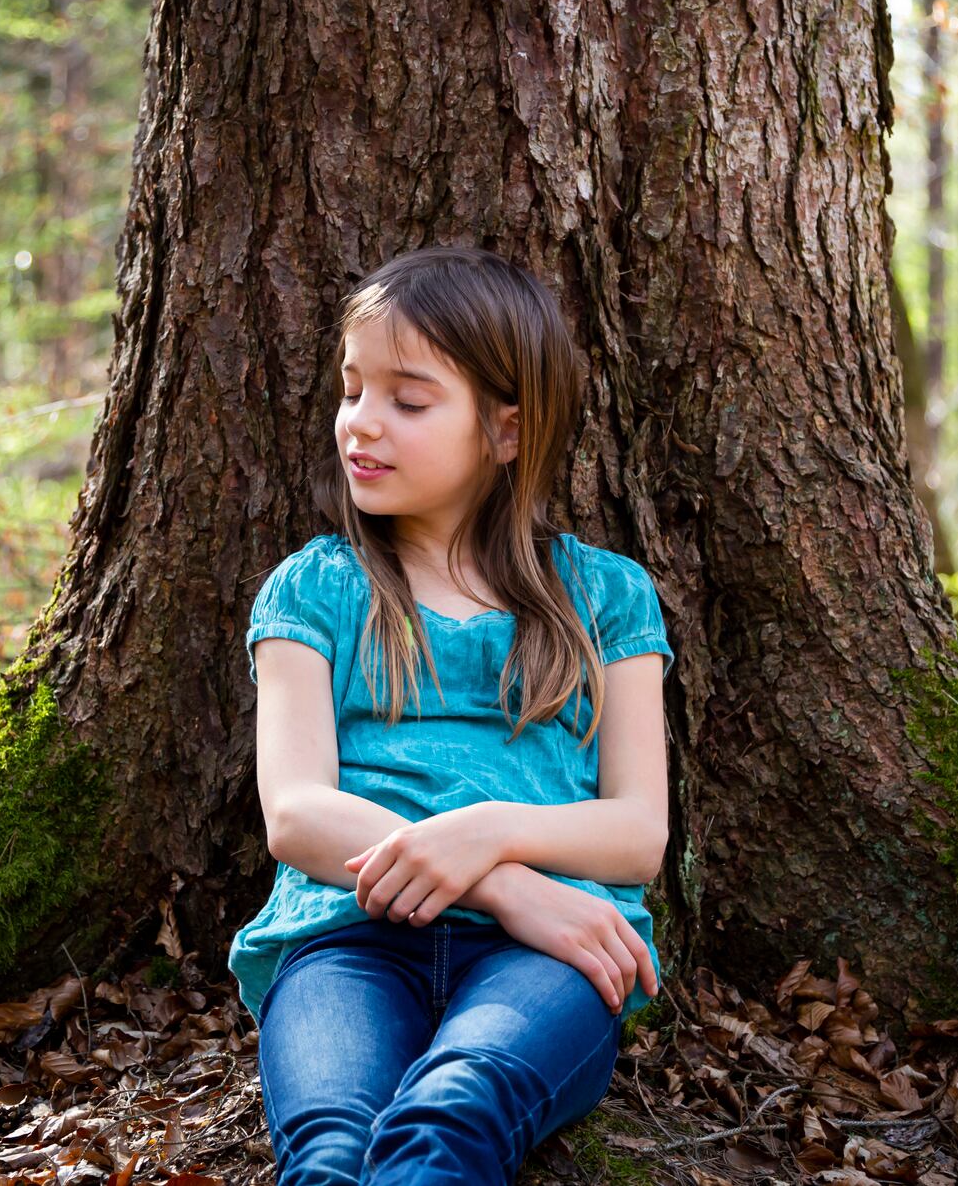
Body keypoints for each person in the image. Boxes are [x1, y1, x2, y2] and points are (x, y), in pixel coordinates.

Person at [230, 246, 675, 1185]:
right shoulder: (317, 589)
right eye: (352, 391)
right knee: (333, 1153)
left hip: (549, 955)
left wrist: (483, 835)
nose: (361, 424)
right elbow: (298, 813)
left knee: (452, 1115)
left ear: (506, 431)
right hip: (343, 937)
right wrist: (503, 883)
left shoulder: (606, 598)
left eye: (408, 399)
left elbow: (637, 834)